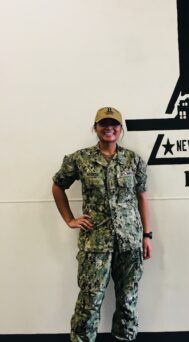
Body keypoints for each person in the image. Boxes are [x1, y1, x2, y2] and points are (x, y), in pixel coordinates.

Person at [52, 107, 152, 342]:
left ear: (120, 129)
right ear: (95, 128)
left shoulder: (133, 160)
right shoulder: (79, 159)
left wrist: (147, 235)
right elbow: (58, 186)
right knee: (89, 303)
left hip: (129, 242)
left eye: (114, 124)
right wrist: (70, 219)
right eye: (103, 124)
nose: (109, 128)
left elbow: (142, 197)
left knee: (127, 302)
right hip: (95, 244)